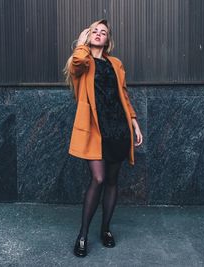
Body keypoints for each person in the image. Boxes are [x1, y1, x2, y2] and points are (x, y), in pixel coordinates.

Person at [63, 19, 143, 257]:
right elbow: (76, 60)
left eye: (103, 32)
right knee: (97, 179)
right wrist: (81, 43)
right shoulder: (83, 61)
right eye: (94, 31)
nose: (99, 34)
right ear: (88, 36)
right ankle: (83, 235)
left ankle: (106, 229)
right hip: (95, 130)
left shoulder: (116, 64)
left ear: (108, 40)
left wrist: (134, 123)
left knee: (111, 181)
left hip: (118, 128)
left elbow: (124, 96)